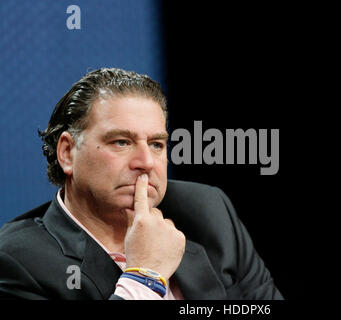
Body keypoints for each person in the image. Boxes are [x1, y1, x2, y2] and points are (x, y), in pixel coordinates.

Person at [0, 68, 283, 300]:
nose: (146, 162)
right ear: (67, 153)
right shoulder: (15, 261)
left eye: (157, 144)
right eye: (121, 142)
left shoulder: (209, 212)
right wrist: (144, 276)